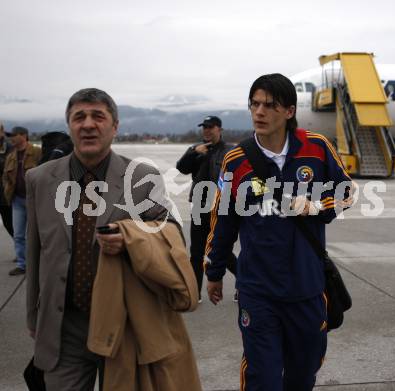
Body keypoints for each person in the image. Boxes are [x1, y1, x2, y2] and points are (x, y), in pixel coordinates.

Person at [26, 88, 201, 391]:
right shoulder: (40, 179)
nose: (88, 124)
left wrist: (131, 238)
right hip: (63, 326)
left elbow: (170, 231)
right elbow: (35, 251)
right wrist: (33, 316)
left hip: (123, 322)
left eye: (98, 116)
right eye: (79, 117)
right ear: (70, 125)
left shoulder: (141, 176)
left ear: (115, 126)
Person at [205, 73, 353, 391]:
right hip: (258, 292)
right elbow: (223, 220)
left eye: (269, 105)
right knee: (264, 378)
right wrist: (214, 270)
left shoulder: (316, 147)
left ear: (289, 111)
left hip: (308, 289)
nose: (259, 112)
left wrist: (316, 205)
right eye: (254, 104)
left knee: (303, 374)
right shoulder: (236, 160)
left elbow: (347, 192)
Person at [176, 116, 237, 302]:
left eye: (210, 127)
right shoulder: (196, 149)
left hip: (219, 207)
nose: (206, 131)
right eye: (204, 127)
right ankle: (195, 292)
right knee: (196, 252)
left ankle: (244, 282)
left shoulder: (229, 151)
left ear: (220, 129)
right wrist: (193, 152)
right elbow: (182, 168)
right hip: (199, 206)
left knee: (221, 250)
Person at [3, 126, 41, 275]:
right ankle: (22, 264)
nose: (11, 137)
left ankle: (37, 263)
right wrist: (7, 189)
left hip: (35, 200)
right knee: (18, 234)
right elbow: (5, 177)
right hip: (17, 200)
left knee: (36, 234)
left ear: (24, 136)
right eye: (10, 135)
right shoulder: (11, 156)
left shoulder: (37, 152)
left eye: (14, 135)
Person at [0, 122, 14, 240]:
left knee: (9, 224)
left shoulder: (9, 145)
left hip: (6, 192)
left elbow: (9, 166)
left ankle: (25, 252)